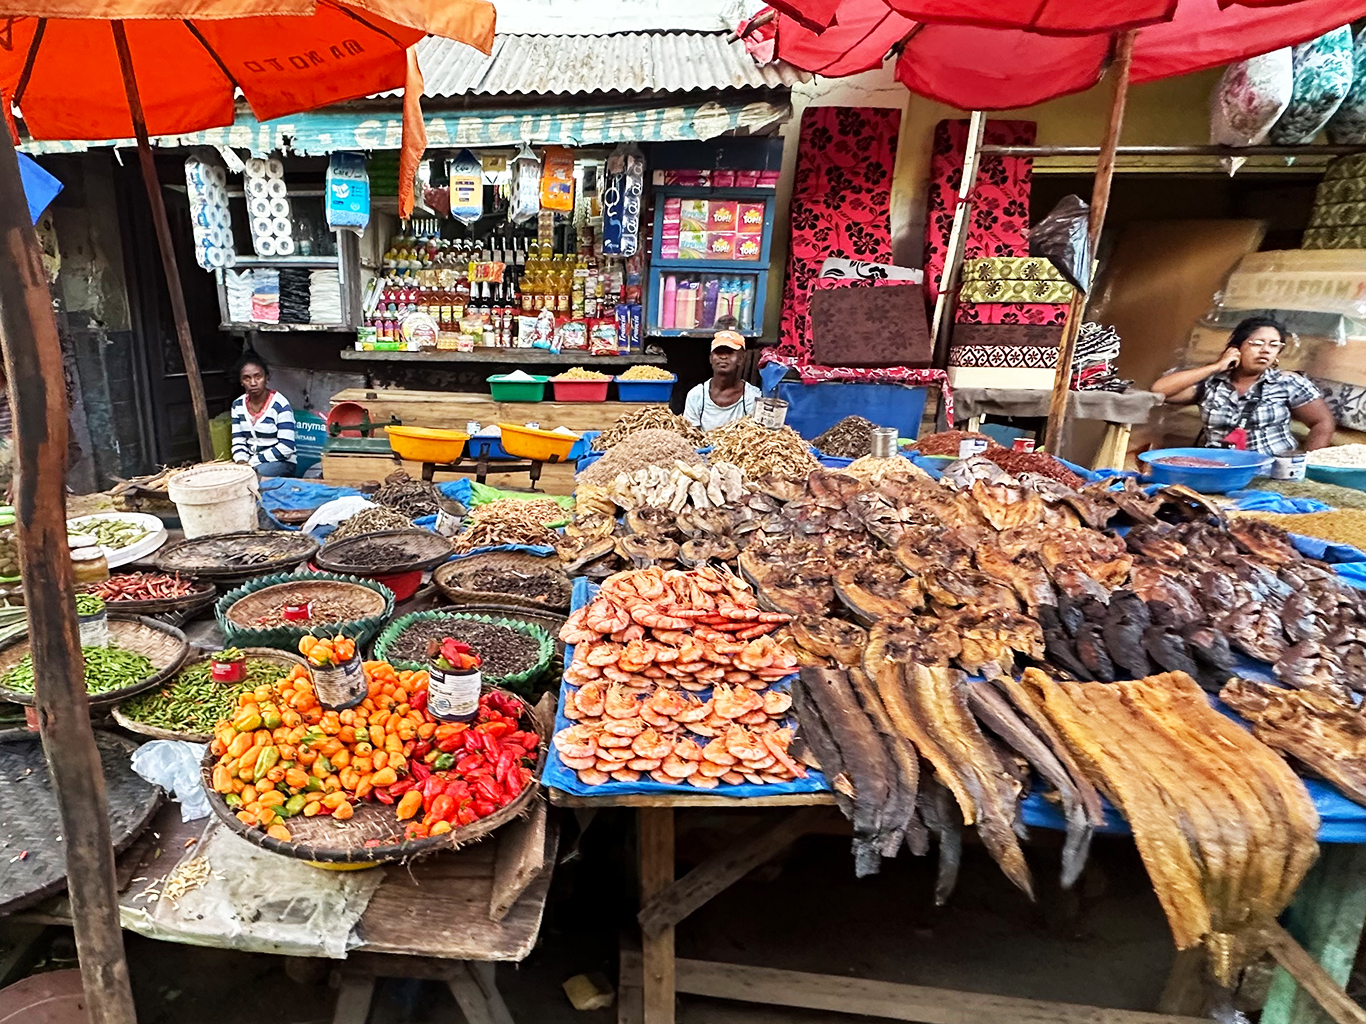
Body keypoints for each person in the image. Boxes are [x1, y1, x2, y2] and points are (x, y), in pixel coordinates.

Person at [1151, 316, 1334, 454]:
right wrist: (1216, 366)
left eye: (1273, 345)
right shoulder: (1211, 384)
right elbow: (1159, 391)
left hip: (1272, 471)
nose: (1265, 350)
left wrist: (1307, 466)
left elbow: (1322, 422)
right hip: (1221, 467)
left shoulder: (1287, 382)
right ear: (1236, 348)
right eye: (1257, 343)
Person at [683, 323, 760, 431]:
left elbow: (757, 438)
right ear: (711, 358)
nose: (723, 357)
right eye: (719, 352)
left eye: (729, 352)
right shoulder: (696, 396)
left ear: (741, 358)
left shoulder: (752, 397)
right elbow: (691, 437)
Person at [230, 352, 296, 476]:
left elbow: (286, 447)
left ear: (266, 377)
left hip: (280, 462)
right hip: (249, 464)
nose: (253, 383)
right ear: (241, 381)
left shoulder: (280, 405)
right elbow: (238, 440)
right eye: (247, 378)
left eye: (258, 377)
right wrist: (241, 461)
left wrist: (253, 462)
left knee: (253, 477)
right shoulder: (237, 405)